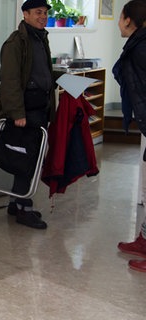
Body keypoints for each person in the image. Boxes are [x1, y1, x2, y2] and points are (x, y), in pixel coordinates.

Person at [0, 0, 56, 230]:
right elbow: (10, 80)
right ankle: (24, 210)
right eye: (38, 12)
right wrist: (17, 113)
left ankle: (15, 204)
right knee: (27, 160)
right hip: (25, 111)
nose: (43, 16)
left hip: (39, 108)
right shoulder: (16, 42)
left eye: (45, 13)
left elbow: (39, 72)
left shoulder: (39, 38)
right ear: (25, 14)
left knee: (31, 157)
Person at [114, 0, 146, 272]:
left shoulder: (141, 48)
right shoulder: (138, 45)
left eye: (120, 15)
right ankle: (145, 240)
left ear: (128, 20)